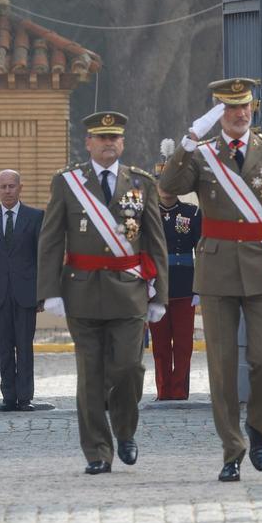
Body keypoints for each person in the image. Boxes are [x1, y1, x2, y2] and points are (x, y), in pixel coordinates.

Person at [160, 78, 262, 483]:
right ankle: (232, 448)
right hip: (217, 270)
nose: (239, 114)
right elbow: (168, 188)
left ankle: (258, 428)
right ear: (217, 114)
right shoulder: (203, 156)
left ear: (253, 109)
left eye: (244, 108)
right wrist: (189, 142)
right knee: (222, 370)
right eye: (230, 109)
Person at [38, 113, 167, 474]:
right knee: (90, 376)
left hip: (129, 293)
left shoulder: (141, 183)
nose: (109, 143)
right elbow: (51, 240)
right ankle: (97, 450)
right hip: (82, 292)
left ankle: (125, 430)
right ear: (88, 143)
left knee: (128, 368)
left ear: (122, 143)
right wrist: (50, 291)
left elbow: (156, 242)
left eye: (115, 138)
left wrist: (161, 296)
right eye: (101, 137)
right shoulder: (67, 183)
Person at [0, 169, 42, 413]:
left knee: (24, 346)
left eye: (12, 186)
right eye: (2, 187)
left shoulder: (35, 217)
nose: (7, 191)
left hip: (26, 293)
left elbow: (41, 258)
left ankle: (25, 398)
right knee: (3, 346)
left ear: (20, 188)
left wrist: (42, 293)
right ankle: (9, 398)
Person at [154, 181, 201, 400]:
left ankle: (179, 390)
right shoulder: (149, 213)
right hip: (155, 286)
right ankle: (163, 390)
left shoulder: (190, 213)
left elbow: (201, 250)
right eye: (162, 182)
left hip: (184, 284)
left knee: (183, 344)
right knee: (160, 344)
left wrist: (200, 286)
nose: (167, 188)